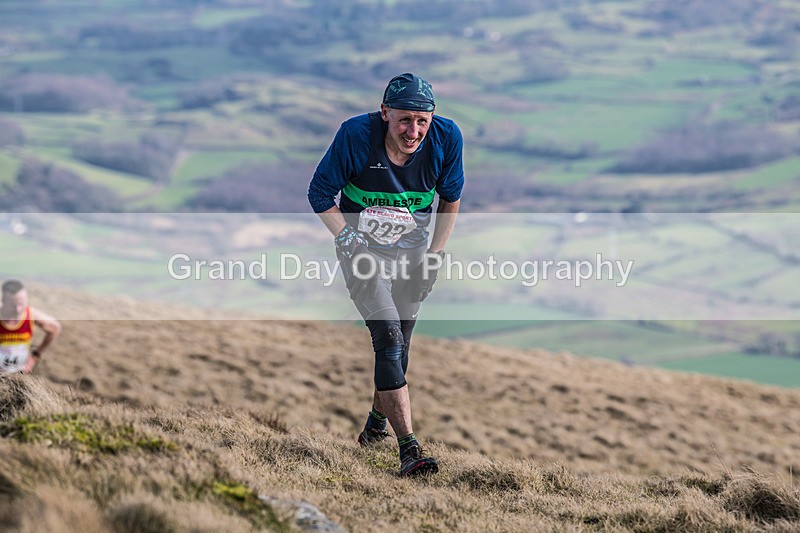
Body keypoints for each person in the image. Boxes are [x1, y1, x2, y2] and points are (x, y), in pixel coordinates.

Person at [308, 73, 464, 477]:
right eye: (404, 120)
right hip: (362, 251)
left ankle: (375, 426)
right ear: (384, 113)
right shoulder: (356, 136)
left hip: (413, 251)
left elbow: (450, 198)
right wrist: (348, 239)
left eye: (422, 121)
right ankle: (409, 449)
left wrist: (435, 256)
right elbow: (319, 193)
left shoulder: (447, 138)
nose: (413, 131)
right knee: (389, 337)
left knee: (401, 344)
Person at [0, 280, 61, 374]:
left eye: (21, 304)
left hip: (20, 373)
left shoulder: (31, 314)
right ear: (3, 301)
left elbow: (55, 328)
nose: (18, 309)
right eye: (13, 305)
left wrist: (36, 355)